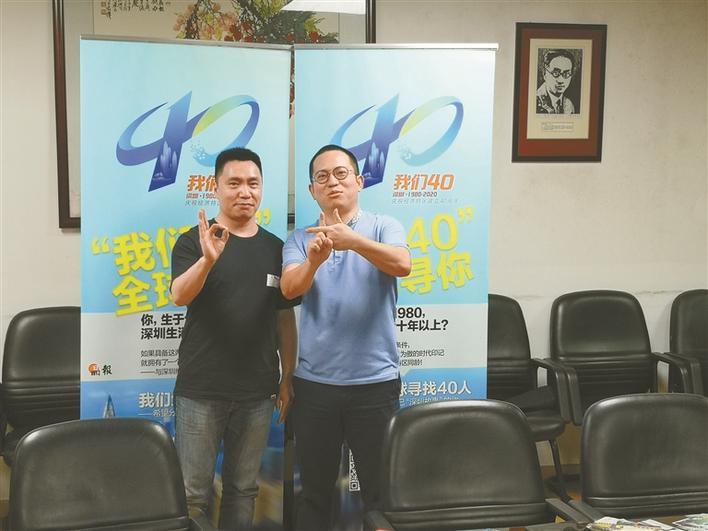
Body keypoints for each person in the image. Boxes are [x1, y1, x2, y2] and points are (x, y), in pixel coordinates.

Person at [281, 144, 412, 530]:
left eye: (341, 174)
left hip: (375, 384)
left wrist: (353, 240)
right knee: (314, 494)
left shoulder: (384, 226)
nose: (332, 182)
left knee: (380, 494)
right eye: (322, 177)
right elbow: (289, 289)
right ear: (312, 190)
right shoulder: (299, 239)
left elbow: (402, 264)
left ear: (359, 181)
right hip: (315, 386)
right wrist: (314, 261)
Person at [170, 147, 297, 530]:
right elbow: (179, 296)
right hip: (201, 390)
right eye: (235, 183)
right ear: (216, 187)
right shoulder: (194, 241)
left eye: (253, 183)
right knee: (192, 494)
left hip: (257, 393)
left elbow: (284, 318)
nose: (245, 192)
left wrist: (287, 377)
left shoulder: (276, 248)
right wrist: (208, 260)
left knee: (243, 490)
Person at [536, 49, 577, 114]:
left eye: (566, 74)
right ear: (545, 74)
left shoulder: (569, 105)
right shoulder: (535, 102)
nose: (561, 80)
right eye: (555, 73)